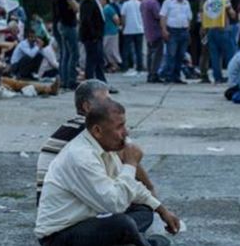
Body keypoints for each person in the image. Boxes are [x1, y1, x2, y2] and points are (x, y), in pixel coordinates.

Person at [35, 99, 181, 246]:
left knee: (143, 210)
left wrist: (161, 210)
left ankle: (135, 240)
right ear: (97, 131)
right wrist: (130, 164)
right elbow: (113, 205)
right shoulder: (81, 156)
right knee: (122, 224)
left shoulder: (106, 146)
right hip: (60, 236)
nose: (126, 133)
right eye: (119, 127)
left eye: (124, 125)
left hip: (91, 220)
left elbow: (132, 188)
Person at [35, 80, 157, 205]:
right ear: (87, 107)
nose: (111, 105)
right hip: (63, 204)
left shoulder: (71, 127)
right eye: (107, 101)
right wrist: (151, 190)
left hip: (51, 200)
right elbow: (129, 153)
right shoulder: (91, 130)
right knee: (138, 210)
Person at [201, 0, 236, 84]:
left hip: (211, 30)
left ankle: (218, 78)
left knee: (215, 56)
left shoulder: (208, 0)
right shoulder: (225, 0)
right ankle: (232, 77)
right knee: (230, 54)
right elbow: (232, 14)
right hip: (223, 29)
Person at [159, 0, 192, 84]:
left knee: (181, 55)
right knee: (171, 54)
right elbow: (163, 16)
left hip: (183, 30)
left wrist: (188, 31)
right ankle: (168, 76)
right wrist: (164, 30)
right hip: (172, 30)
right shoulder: (168, 2)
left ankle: (177, 76)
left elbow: (189, 17)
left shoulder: (186, 3)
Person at [80, 0, 107, 83]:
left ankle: (101, 82)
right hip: (92, 37)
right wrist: (94, 35)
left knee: (98, 60)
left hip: (97, 36)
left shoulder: (95, 0)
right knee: (92, 60)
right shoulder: (88, 0)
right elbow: (86, 20)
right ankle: (90, 82)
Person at [141, 0, 164, 83]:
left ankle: (150, 74)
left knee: (150, 54)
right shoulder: (153, 3)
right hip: (156, 31)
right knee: (157, 54)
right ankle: (154, 74)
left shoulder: (144, 1)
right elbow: (159, 16)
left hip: (148, 31)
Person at [121, 0, 144, 74]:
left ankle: (125, 67)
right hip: (139, 29)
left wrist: (123, 27)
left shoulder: (126, 4)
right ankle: (139, 68)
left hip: (128, 29)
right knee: (139, 50)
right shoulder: (140, 4)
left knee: (126, 49)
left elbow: (123, 16)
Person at [103, 0, 122, 72]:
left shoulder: (108, 8)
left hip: (111, 32)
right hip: (108, 32)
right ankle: (112, 64)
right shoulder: (108, 8)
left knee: (111, 50)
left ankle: (115, 65)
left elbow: (116, 19)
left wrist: (117, 27)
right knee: (109, 49)